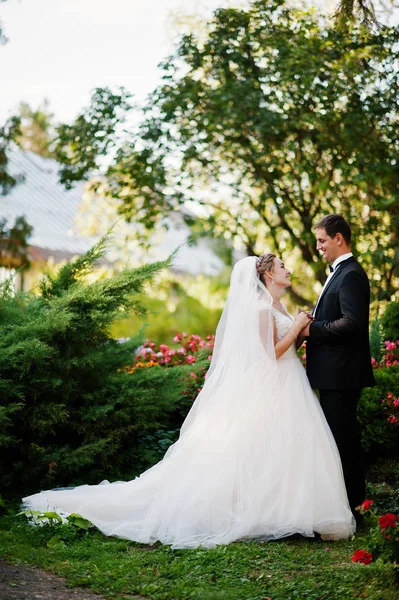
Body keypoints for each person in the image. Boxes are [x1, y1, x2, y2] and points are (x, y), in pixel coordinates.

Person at [23, 254, 355, 548]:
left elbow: (287, 350)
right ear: (268, 274)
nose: (288, 269)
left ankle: (292, 511)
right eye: (282, 265)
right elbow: (270, 355)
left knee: (286, 448)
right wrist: (298, 326)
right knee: (263, 450)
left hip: (288, 383)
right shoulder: (258, 308)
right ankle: (260, 512)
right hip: (274, 382)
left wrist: (296, 327)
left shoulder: (278, 305)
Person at [302, 215, 375, 519]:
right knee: (339, 439)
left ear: (338, 239)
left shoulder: (351, 274)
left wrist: (312, 329)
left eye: (321, 240)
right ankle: (348, 504)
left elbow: (352, 324)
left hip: (341, 374)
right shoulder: (340, 273)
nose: (318, 246)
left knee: (342, 441)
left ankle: (353, 507)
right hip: (335, 373)